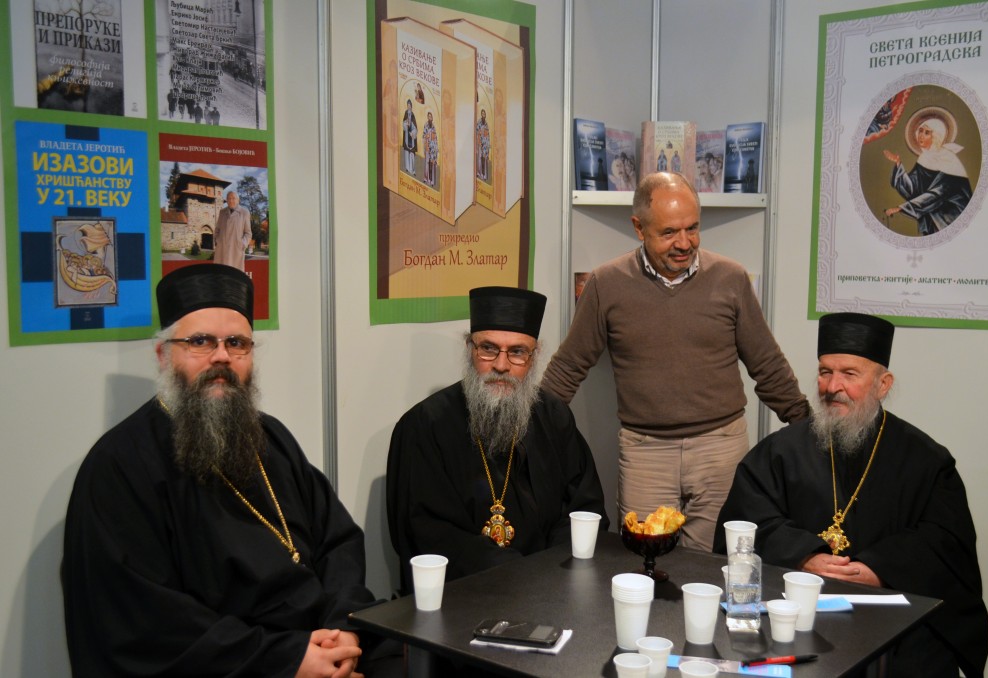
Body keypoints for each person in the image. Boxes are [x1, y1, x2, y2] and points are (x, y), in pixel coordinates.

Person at [62, 264, 400, 678]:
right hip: (238, 665)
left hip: (323, 643)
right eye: (200, 341)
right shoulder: (119, 467)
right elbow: (143, 622)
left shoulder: (271, 437)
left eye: (237, 343)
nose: (221, 356)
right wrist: (289, 660)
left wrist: (343, 628)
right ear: (163, 355)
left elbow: (338, 540)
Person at [541, 171, 810, 552]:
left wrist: (808, 427)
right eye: (669, 233)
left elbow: (767, 363)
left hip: (721, 448)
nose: (684, 243)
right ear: (639, 227)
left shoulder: (731, 278)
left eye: (692, 228)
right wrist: (532, 427)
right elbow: (569, 366)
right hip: (646, 452)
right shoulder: (606, 283)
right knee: (643, 563)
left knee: (715, 564)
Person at [714, 312, 988, 677]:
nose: (833, 386)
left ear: (883, 384)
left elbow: (945, 541)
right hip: (798, 609)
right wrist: (804, 556)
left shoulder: (925, 460)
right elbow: (746, 521)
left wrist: (880, 568)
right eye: (825, 372)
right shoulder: (780, 452)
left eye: (849, 374)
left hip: (893, 616)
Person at [387, 286, 608, 593]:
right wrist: (517, 575)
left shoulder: (554, 417)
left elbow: (584, 509)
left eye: (517, 352)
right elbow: (429, 532)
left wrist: (551, 572)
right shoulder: (425, 426)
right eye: (488, 348)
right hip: (464, 598)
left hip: (551, 588)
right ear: (470, 349)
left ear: (533, 357)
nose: (501, 366)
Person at [883, 113, 973, 236]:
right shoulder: (924, 158)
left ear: (936, 136)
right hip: (931, 213)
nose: (921, 135)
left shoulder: (949, 159)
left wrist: (903, 208)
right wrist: (898, 164)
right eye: (920, 131)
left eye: (927, 132)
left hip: (951, 216)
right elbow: (912, 190)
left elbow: (938, 194)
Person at [214, 190, 252, 271]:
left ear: (238, 200)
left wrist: (242, 244)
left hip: (236, 251)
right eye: (229, 198)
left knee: (234, 274)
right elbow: (217, 229)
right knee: (221, 273)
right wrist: (217, 240)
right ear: (227, 200)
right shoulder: (222, 212)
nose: (231, 200)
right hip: (221, 249)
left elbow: (248, 233)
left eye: (233, 198)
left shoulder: (244, 213)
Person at [422, 110, 438, 188]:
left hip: (432, 148)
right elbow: (423, 136)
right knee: (427, 163)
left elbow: (435, 138)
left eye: (431, 116)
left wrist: (434, 146)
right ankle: (426, 178)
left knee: (432, 164)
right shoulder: (426, 125)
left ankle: (431, 181)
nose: (430, 118)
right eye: (428, 116)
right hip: (427, 147)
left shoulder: (433, 127)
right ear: (427, 117)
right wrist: (426, 136)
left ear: (432, 118)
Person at [401, 99, 417, 176]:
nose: (409, 107)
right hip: (407, 135)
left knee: (412, 154)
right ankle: (407, 168)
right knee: (407, 152)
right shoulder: (405, 113)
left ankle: (412, 170)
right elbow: (403, 123)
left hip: (411, 137)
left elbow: (415, 127)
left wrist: (413, 132)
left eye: (410, 105)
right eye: (408, 105)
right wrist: (405, 125)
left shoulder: (413, 115)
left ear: (411, 106)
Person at [476, 108, 490, 180]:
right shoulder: (479, 122)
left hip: (485, 144)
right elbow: (477, 132)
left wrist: (486, 143)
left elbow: (487, 134)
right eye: (482, 113)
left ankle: (484, 175)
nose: (483, 115)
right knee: (480, 158)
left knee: (484, 158)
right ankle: (479, 173)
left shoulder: (486, 124)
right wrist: (479, 142)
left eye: (484, 114)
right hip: (480, 143)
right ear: (481, 114)